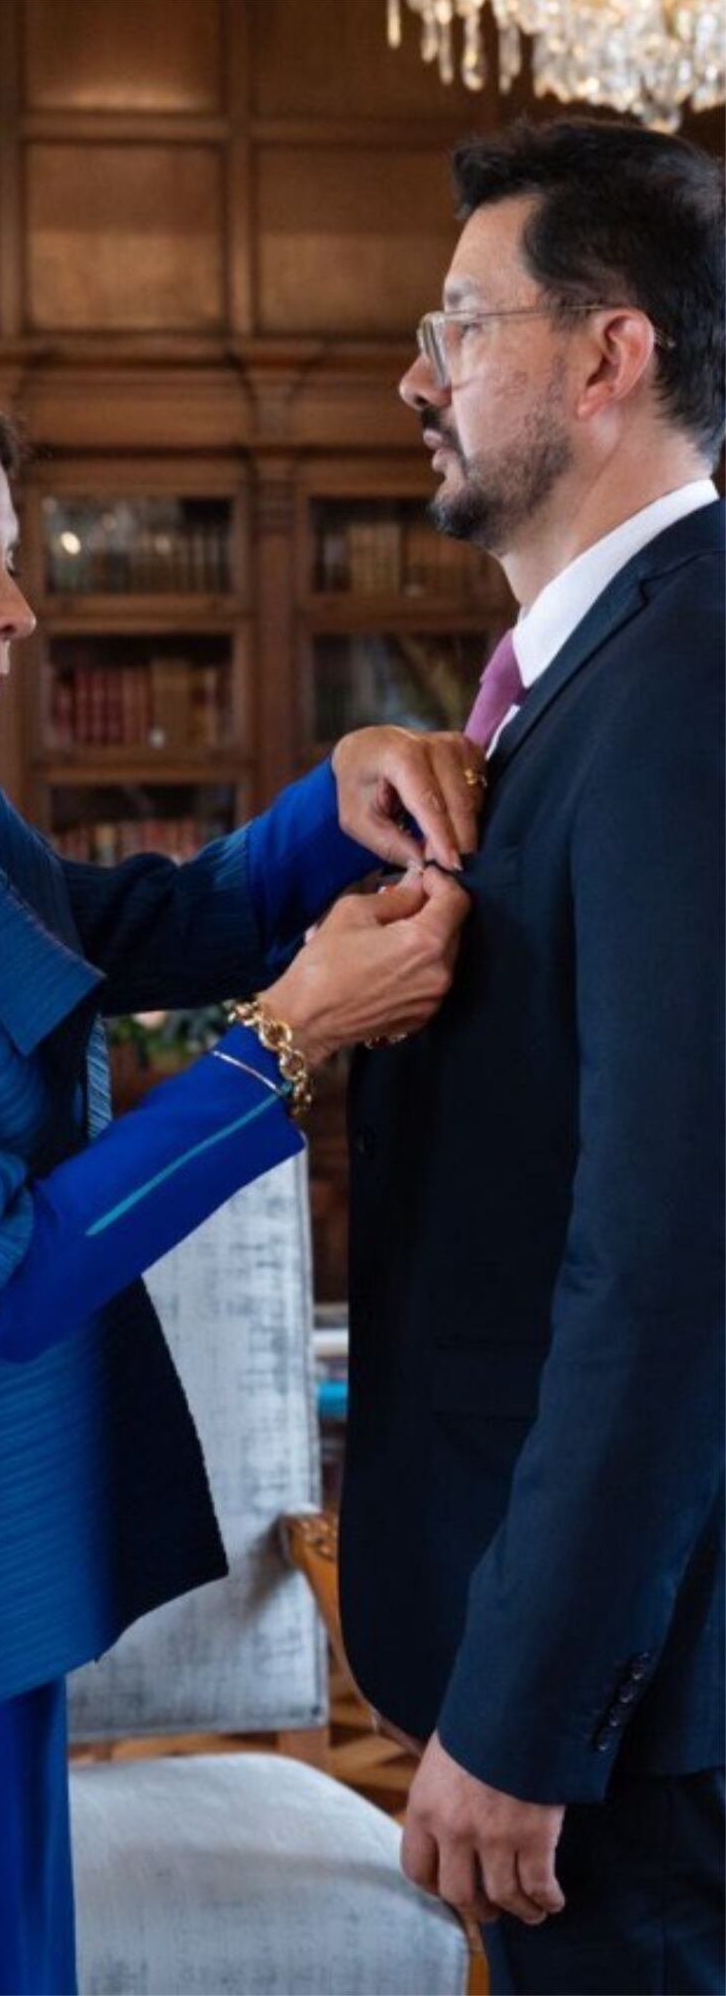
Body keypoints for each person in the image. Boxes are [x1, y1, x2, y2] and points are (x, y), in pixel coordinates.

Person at [0, 341, 481, 1996]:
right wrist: (286, 1042)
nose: (20, 611)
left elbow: (144, 922)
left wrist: (330, 802)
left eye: (14, 563)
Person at [344, 118, 724, 1995]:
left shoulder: (686, 684)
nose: (416, 378)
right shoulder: (600, 675)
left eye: (458, 326)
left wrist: (531, 1706)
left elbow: (670, 1252)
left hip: (638, 1727)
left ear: (607, 356)